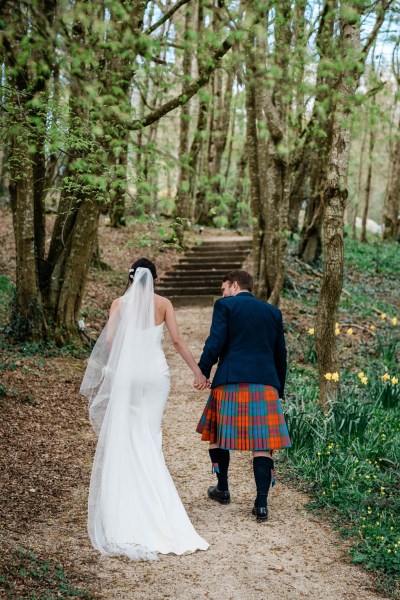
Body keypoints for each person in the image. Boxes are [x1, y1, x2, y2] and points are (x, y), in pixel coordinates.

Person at [80, 258, 209, 560]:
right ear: (154, 278)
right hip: (155, 375)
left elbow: (110, 341)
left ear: (131, 277)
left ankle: (128, 505)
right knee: (150, 436)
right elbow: (176, 340)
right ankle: (158, 505)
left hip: (128, 376)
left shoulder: (119, 304)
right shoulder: (163, 303)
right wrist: (198, 372)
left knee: (126, 436)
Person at [196, 269, 291, 522]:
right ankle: (261, 504)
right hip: (265, 384)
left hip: (230, 380)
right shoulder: (273, 312)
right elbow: (280, 354)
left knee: (216, 435)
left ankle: (223, 488)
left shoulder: (225, 306)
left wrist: (203, 370)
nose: (223, 293)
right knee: (263, 444)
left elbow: (214, 343)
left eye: (224, 288)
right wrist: (278, 387)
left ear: (234, 285)